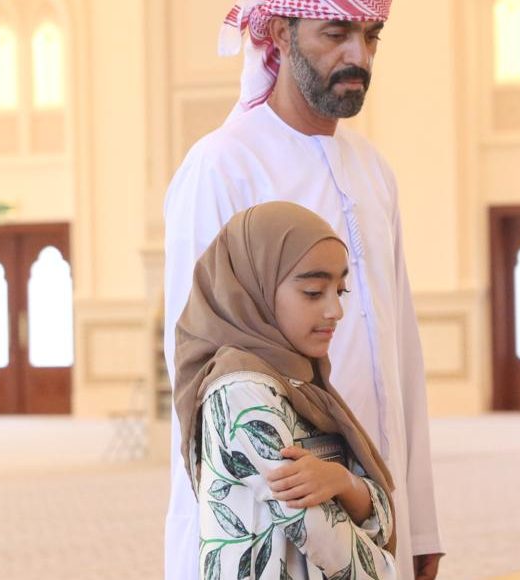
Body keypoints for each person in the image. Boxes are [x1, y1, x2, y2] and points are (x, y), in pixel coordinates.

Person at [162, 2, 443, 580]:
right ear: (280, 34)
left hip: (371, 504)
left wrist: (419, 524)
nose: (358, 56)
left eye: (371, 36)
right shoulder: (222, 166)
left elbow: (402, 357)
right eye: (335, 33)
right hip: (269, 515)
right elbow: (199, 358)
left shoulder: (373, 170)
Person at [175, 202, 396, 579]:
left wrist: (342, 481)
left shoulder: (302, 382)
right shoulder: (241, 388)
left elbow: (381, 514)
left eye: (339, 290)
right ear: (254, 287)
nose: (335, 310)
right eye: (313, 292)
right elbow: (317, 528)